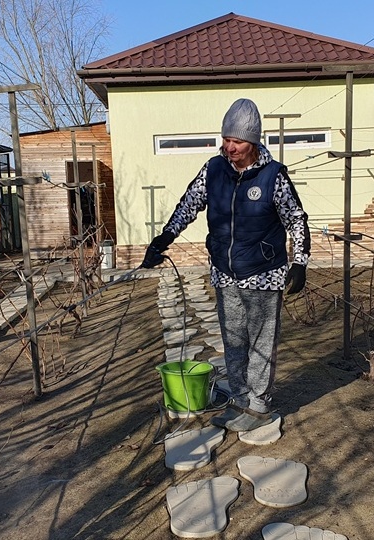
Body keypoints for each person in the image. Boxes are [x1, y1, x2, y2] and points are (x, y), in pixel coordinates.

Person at [142, 98, 311, 432]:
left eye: (238, 141)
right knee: (233, 340)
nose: (230, 147)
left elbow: (296, 219)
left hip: (263, 274)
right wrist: (163, 239)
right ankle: (240, 399)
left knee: (261, 340)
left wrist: (300, 262)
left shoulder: (273, 176)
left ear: (253, 142)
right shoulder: (213, 169)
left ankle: (260, 405)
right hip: (224, 272)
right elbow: (189, 204)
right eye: (227, 139)